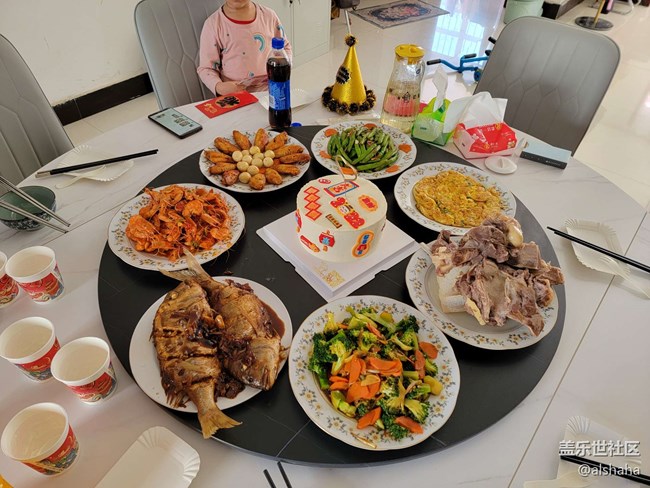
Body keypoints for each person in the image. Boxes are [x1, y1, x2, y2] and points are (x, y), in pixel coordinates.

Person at [197, 0, 292, 96]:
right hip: (235, 94)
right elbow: (206, 68)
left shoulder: (269, 16)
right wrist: (219, 86)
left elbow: (285, 47)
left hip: (272, 89)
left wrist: (283, 69)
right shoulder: (213, 25)